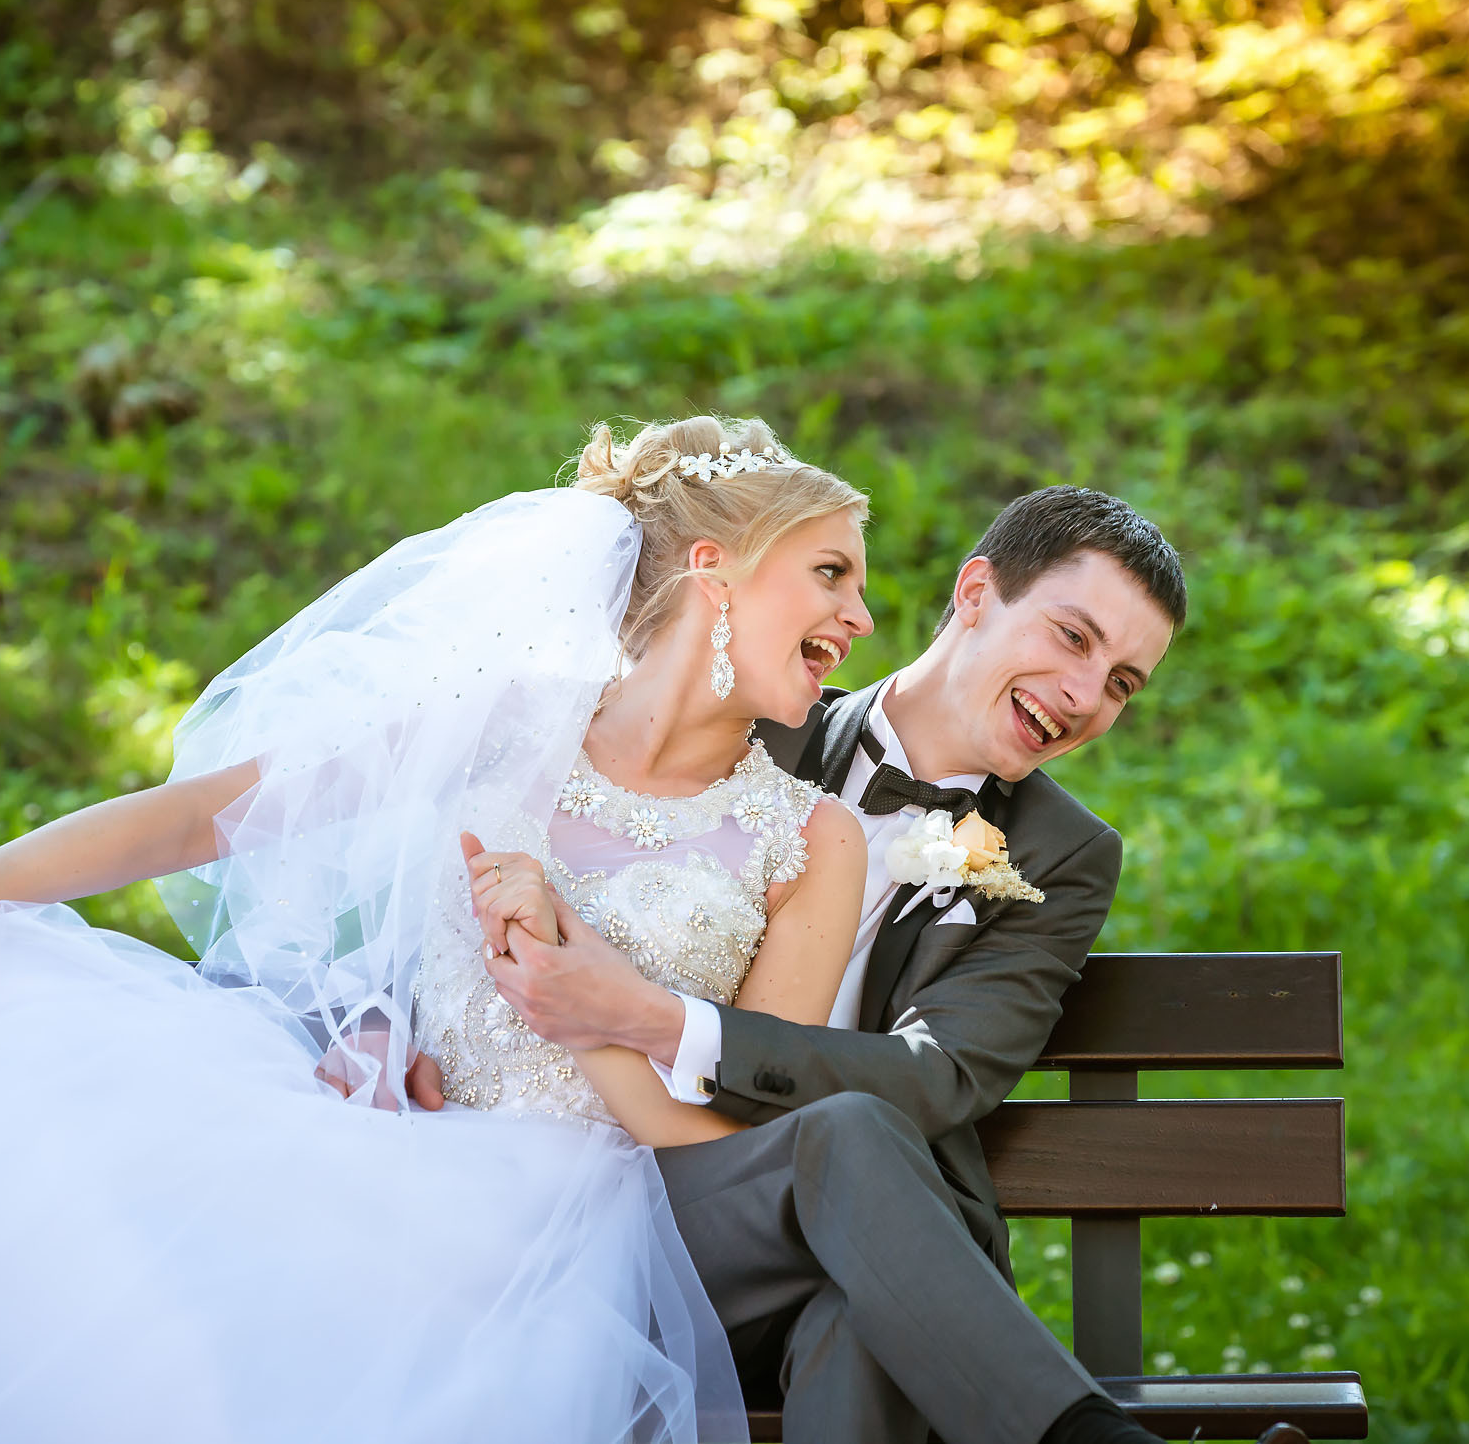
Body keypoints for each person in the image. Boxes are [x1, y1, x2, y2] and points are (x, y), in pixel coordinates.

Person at [0, 416, 877, 1444]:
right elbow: (201, 818)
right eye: (831, 571)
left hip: (559, 1218)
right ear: (713, 569)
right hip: (378, 1123)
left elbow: (764, 1111)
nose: (861, 615)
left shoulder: (808, 839)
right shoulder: (511, 730)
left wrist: (589, 998)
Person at [457, 484, 1187, 1444]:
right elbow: (479, 848)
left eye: (1124, 683)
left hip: (868, 1242)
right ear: (976, 593)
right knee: (848, 1195)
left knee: (861, 1301)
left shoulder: (1062, 852)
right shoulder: (756, 711)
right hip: (642, 1207)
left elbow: (944, 1075)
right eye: (1073, 638)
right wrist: (381, 1015)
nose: (1087, 696)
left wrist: (652, 1018)